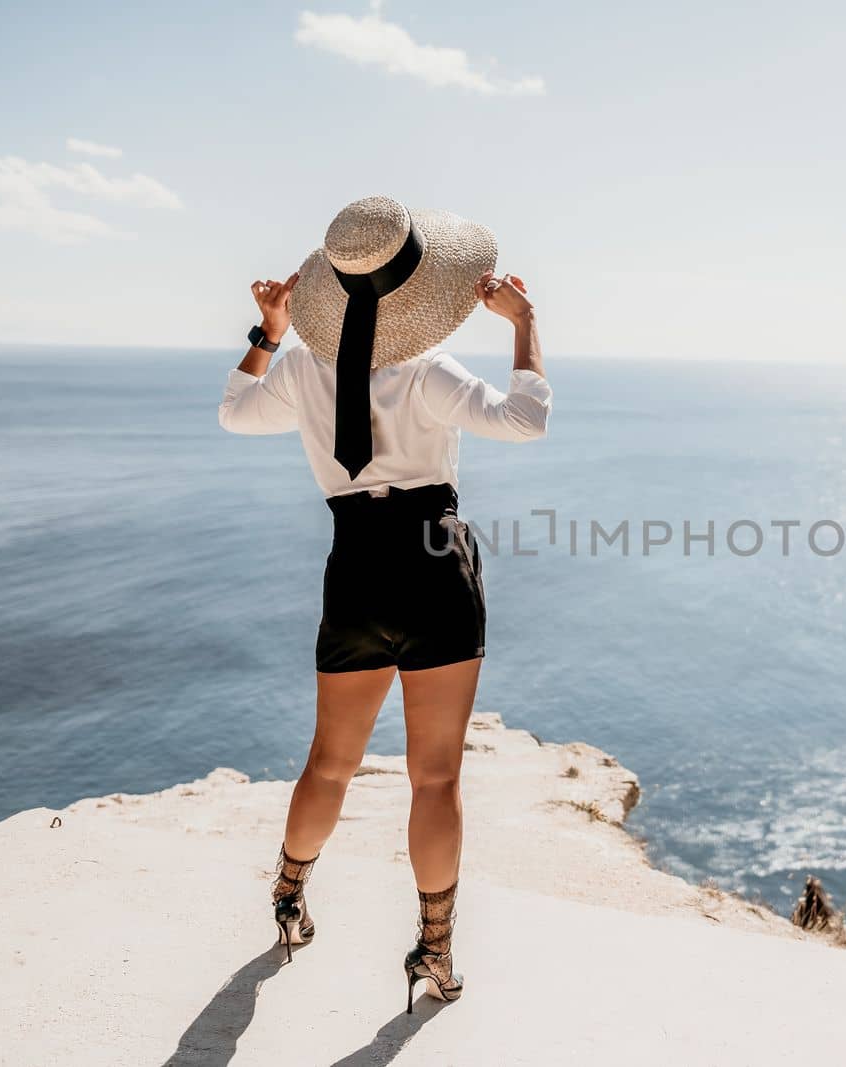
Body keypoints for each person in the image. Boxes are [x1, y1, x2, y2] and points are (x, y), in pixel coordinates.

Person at [217, 194, 549, 1012]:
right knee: (434, 778)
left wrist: (268, 328)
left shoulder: (298, 366)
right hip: (435, 562)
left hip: (355, 566)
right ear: (415, 295)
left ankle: (289, 900)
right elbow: (525, 420)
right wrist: (524, 322)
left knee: (329, 759)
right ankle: (433, 952)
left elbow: (231, 412)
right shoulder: (428, 372)